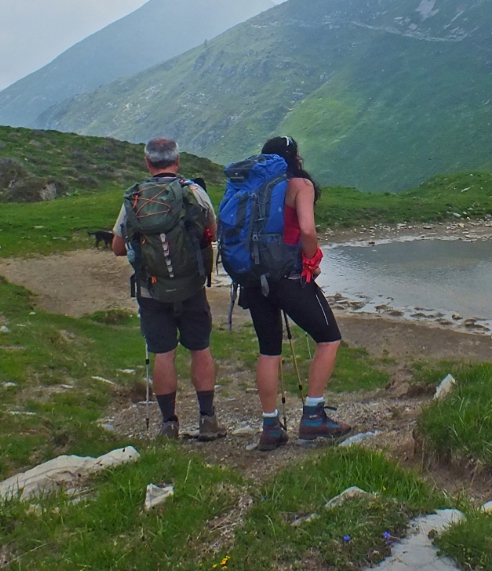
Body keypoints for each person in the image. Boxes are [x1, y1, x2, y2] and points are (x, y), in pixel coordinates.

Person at [233, 136, 351, 450]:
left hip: (254, 279)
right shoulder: (299, 185)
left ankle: (270, 426)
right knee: (328, 338)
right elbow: (308, 230)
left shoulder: (251, 186)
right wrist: (311, 260)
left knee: (268, 350)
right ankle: (313, 416)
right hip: (287, 276)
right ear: (294, 158)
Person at [112, 137, 225, 440]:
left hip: (151, 291)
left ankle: (168, 425)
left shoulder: (136, 198)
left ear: (148, 163)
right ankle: (207, 419)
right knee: (200, 349)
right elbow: (212, 230)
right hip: (191, 287)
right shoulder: (194, 192)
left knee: (163, 353)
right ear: (178, 161)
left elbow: (117, 248)